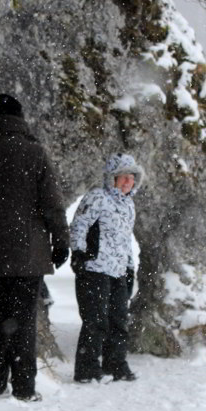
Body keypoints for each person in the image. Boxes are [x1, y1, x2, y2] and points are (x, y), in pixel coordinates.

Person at [0, 94, 69, 401]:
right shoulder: (35, 154)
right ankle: (24, 388)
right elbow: (53, 206)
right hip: (28, 255)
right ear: (21, 118)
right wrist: (61, 243)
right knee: (23, 322)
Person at [70, 152, 144, 383]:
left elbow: (124, 239)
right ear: (111, 178)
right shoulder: (97, 197)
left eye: (131, 177)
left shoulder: (129, 205)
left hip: (119, 271)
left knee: (119, 321)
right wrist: (79, 254)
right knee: (95, 321)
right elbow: (79, 225)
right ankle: (87, 369)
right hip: (95, 269)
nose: (127, 181)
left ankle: (116, 364)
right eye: (122, 176)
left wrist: (130, 267)